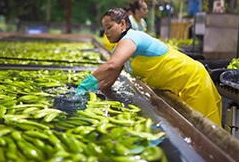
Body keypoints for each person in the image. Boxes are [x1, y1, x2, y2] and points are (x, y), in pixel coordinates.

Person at [77, 8, 222, 127]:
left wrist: (85, 84)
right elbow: (109, 80)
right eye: (104, 29)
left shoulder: (133, 37)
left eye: (109, 27)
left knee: (202, 129)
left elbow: (111, 66)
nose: (106, 33)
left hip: (191, 80)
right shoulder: (118, 51)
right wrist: (90, 94)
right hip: (174, 87)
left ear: (122, 24)